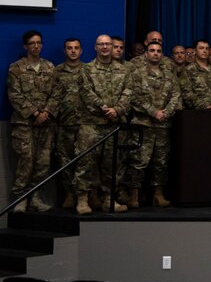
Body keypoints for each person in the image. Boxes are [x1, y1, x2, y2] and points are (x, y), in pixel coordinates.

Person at [73, 34, 131, 214]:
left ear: (113, 47)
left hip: (114, 125)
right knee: (85, 163)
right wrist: (106, 109)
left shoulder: (124, 70)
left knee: (112, 164)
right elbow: (86, 94)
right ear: (95, 47)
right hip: (92, 125)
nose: (105, 47)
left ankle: (108, 199)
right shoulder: (86, 69)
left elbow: (129, 92)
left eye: (108, 44)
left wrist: (118, 110)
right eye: (101, 44)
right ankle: (82, 200)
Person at [125, 41, 181, 208]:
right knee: (138, 160)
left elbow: (176, 96)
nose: (155, 53)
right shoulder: (137, 74)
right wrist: (153, 111)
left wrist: (166, 112)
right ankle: (134, 195)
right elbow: (133, 97)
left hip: (163, 125)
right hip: (143, 124)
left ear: (162, 55)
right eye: (152, 51)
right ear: (146, 54)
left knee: (161, 161)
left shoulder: (169, 75)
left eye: (158, 51)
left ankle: (158, 195)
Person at [7, 30, 56, 212]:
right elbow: (15, 94)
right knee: (26, 160)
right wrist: (35, 113)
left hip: (46, 123)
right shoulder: (16, 68)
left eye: (39, 43)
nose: (36, 46)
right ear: (25, 46)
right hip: (24, 123)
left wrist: (46, 113)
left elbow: (56, 94)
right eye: (32, 43)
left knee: (43, 162)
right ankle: (20, 198)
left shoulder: (50, 67)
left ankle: (35, 196)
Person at [53, 37, 85, 209]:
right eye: (69, 48)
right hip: (64, 123)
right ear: (65, 51)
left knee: (84, 161)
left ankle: (82, 195)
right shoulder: (56, 72)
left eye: (76, 48)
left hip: (84, 125)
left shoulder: (89, 71)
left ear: (81, 51)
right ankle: (68, 195)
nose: (73, 51)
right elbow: (52, 98)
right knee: (64, 161)